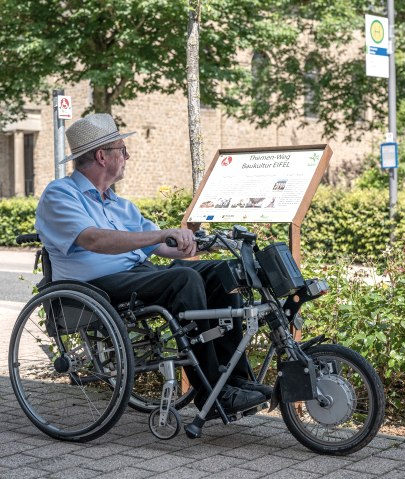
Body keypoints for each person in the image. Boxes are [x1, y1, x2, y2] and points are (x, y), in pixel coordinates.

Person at [35, 113, 271, 417]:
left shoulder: (119, 205)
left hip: (137, 275)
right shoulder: (60, 194)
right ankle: (212, 392)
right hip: (95, 286)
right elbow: (92, 239)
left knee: (222, 273)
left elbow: (161, 244)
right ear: (102, 156)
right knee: (184, 281)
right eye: (123, 150)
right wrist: (160, 235)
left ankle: (235, 380)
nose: (128, 156)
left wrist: (192, 242)